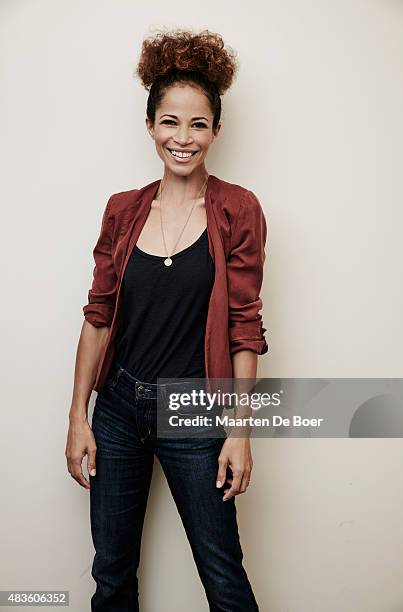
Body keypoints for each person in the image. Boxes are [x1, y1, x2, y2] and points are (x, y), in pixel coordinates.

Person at [65, 29, 268, 612]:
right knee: (111, 575)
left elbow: (244, 329)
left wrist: (239, 430)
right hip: (120, 409)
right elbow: (98, 315)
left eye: (198, 124)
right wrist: (79, 417)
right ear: (151, 126)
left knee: (223, 578)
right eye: (170, 122)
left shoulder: (238, 210)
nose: (183, 138)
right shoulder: (123, 210)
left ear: (216, 131)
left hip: (196, 410)